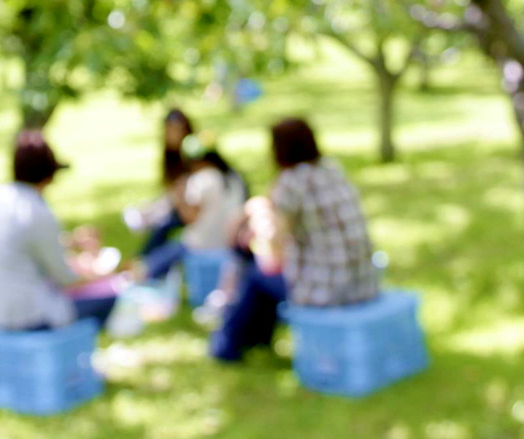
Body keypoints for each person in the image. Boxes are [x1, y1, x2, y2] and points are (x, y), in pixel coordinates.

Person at [210, 117, 378, 363]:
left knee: (256, 276)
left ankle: (226, 348)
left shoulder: (291, 182)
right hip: (364, 281)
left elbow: (274, 250)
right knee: (263, 279)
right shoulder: (331, 168)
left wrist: (253, 235)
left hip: (330, 290)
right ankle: (256, 340)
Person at [0, 130, 119, 330]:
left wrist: (68, 241)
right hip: (26, 315)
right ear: (49, 176)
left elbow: (15, 246)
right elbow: (65, 278)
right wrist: (105, 274)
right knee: (110, 299)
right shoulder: (37, 213)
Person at [141, 142, 247, 280]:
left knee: (156, 260)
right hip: (231, 241)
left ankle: (139, 273)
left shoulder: (203, 179)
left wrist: (179, 197)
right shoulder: (235, 178)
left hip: (203, 244)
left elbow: (190, 217)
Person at [125, 108, 195, 254]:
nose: (172, 135)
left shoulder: (193, 153)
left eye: (176, 130)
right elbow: (169, 189)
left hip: (191, 209)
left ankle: (144, 263)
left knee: (163, 226)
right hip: (176, 205)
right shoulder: (171, 158)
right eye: (168, 130)